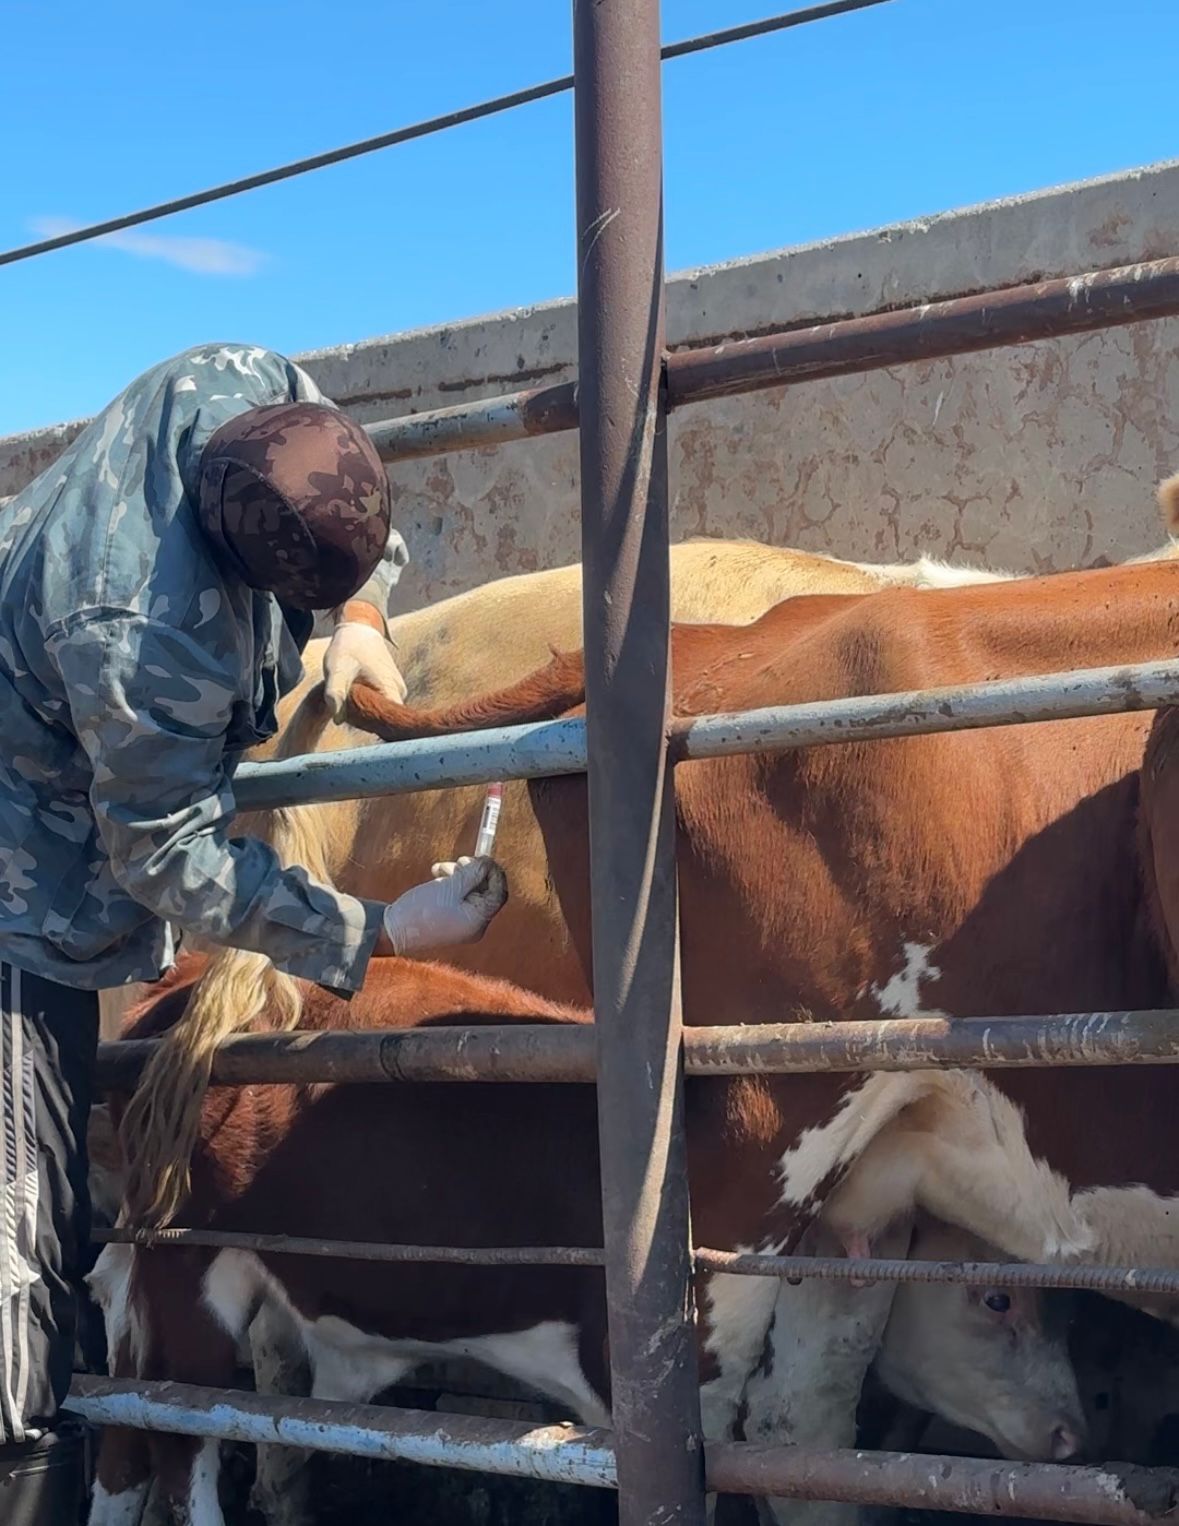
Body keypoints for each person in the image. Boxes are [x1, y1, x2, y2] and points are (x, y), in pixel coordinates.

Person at [0, 343, 505, 1478]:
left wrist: (361, 611)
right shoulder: (138, 635)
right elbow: (167, 858)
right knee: (20, 1226)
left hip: (58, 798)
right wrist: (378, 931)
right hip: (16, 881)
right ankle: (22, 1464)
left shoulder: (236, 382)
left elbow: (346, 481)